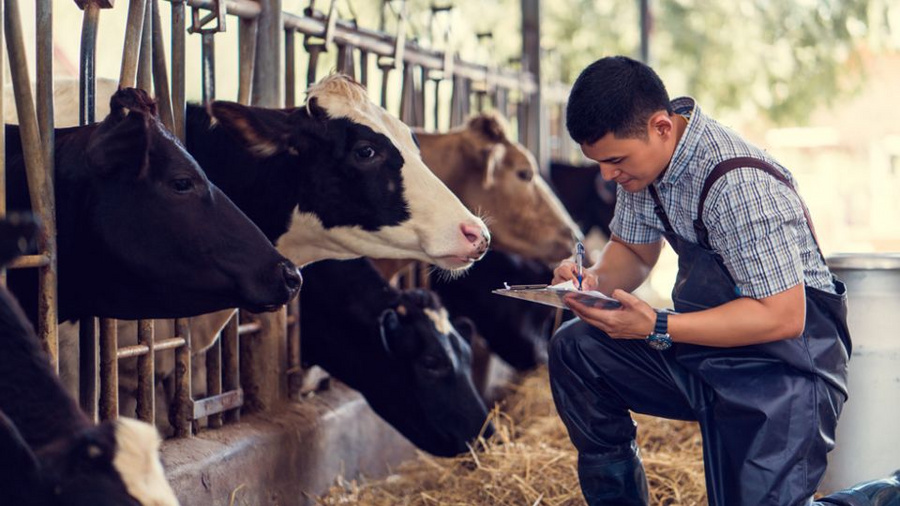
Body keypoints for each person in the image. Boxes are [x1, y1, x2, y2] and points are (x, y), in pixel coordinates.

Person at [549, 55, 900, 506]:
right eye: (598, 162)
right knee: (577, 347)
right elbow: (635, 253)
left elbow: (784, 317)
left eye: (614, 160)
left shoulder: (737, 184)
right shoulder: (645, 169)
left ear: (660, 127)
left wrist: (657, 325)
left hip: (786, 369)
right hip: (711, 351)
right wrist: (590, 280)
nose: (607, 175)